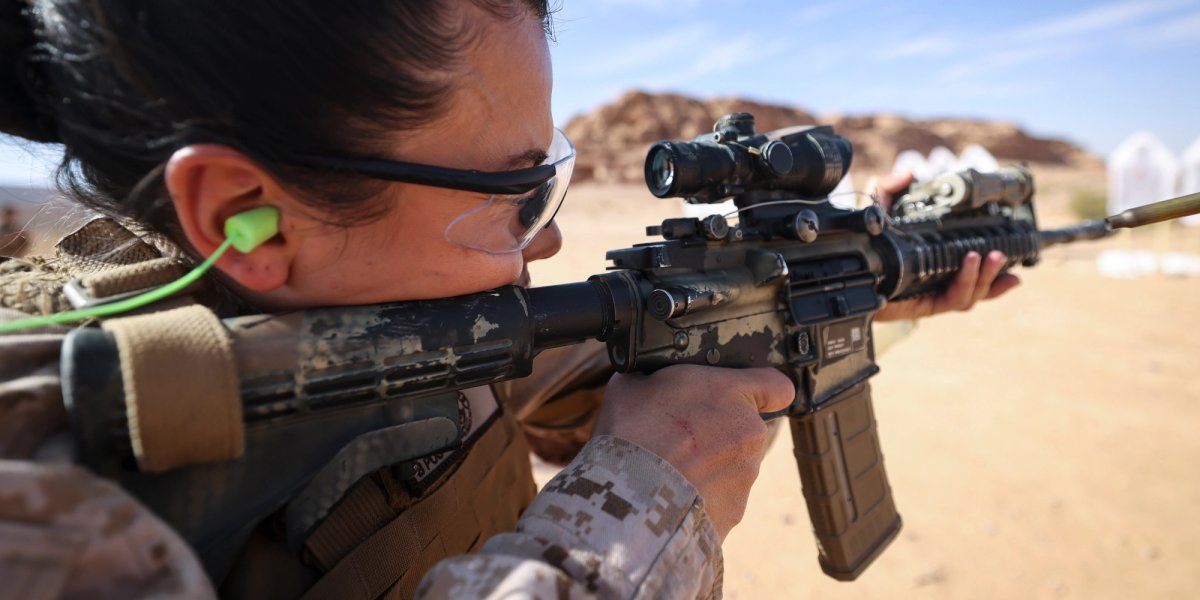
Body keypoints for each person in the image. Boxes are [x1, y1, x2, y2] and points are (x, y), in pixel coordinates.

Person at [0, 1, 1019, 598]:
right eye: (513, 194)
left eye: (554, 180)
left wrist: (861, 279)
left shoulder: (425, 304)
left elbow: (588, 376)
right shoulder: (43, 518)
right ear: (246, 214)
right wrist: (635, 517)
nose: (553, 236)